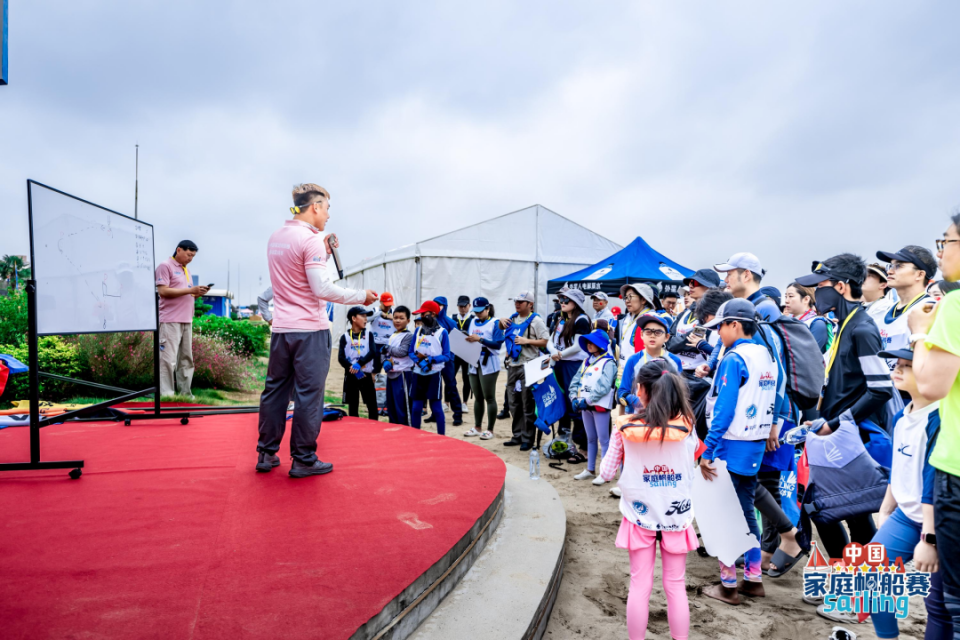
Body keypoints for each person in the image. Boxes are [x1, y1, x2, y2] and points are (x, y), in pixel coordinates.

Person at [256, 183, 376, 477]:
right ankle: (303, 459)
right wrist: (361, 296)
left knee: (275, 392)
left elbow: (292, 278)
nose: (328, 216)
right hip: (309, 330)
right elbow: (321, 287)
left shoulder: (276, 237)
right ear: (315, 207)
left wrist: (323, 248)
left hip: (282, 329)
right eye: (327, 209)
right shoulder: (311, 240)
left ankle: (266, 453)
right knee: (310, 395)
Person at [794, 254, 895, 557]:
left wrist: (835, 423)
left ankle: (859, 585)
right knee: (834, 510)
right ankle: (849, 579)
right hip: (836, 432)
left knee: (847, 512)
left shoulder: (863, 329)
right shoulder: (844, 325)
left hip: (852, 437)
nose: (815, 293)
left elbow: (881, 389)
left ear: (840, 286)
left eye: (820, 286)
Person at [599, 362, 701, 640]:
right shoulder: (688, 426)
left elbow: (606, 473)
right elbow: (693, 461)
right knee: (676, 585)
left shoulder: (625, 427)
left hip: (638, 515)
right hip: (676, 516)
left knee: (639, 585)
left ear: (641, 390)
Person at [698, 299, 780, 605]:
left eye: (720, 326)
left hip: (730, 443)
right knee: (746, 512)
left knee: (723, 516)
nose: (718, 333)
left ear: (734, 324)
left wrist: (709, 448)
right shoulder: (767, 355)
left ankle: (728, 585)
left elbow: (724, 407)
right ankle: (754, 579)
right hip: (755, 442)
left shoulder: (734, 358)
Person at [867, 346, 951, 638]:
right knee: (870, 575)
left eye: (908, 365)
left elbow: (934, 481)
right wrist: (886, 507)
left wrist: (930, 537)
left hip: (942, 522)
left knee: (939, 605)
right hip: (907, 515)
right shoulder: (901, 415)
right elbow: (898, 466)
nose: (897, 369)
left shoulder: (942, 418)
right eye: (897, 363)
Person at [909, 211, 960, 638]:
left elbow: (928, 385)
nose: (942, 251)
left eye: (947, 241)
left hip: (955, 469)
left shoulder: (956, 306)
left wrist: (918, 332)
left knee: (951, 602)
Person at [155, 240, 210, 398]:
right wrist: (189, 290)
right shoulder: (165, 266)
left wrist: (195, 293)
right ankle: (166, 395)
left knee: (186, 358)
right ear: (178, 250)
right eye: (188, 254)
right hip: (170, 320)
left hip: (187, 319)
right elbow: (163, 291)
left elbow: (185, 292)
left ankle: (185, 393)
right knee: (167, 359)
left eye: (193, 256)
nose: (190, 258)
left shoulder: (186, 269)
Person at [500, 291, 550, 450]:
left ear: (530, 304)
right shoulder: (512, 318)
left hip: (529, 366)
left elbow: (546, 342)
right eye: (516, 301)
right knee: (513, 403)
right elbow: (500, 327)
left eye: (521, 301)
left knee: (527, 403)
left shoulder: (536, 321)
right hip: (513, 366)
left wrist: (526, 341)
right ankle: (517, 435)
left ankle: (528, 438)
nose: (517, 303)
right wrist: (499, 321)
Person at [568, 329, 618, 485]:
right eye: (588, 342)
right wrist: (574, 398)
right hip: (586, 405)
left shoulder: (609, 362)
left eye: (593, 342)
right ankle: (590, 470)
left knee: (604, 440)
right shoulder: (586, 361)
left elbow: (604, 386)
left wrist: (587, 400)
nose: (589, 345)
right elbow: (575, 381)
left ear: (601, 345)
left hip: (599, 406)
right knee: (590, 438)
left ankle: (605, 473)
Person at [876, 245, 938, 363]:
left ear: (920, 275)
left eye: (898, 266)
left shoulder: (930, 310)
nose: (889, 271)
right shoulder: (887, 309)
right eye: (891, 265)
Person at [549, 286, 593, 444]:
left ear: (576, 302)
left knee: (573, 399)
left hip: (573, 365)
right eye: (560, 299)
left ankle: (581, 441)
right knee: (561, 399)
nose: (562, 302)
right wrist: (553, 352)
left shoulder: (582, 319)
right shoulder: (560, 318)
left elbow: (578, 346)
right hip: (560, 363)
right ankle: (563, 437)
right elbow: (551, 339)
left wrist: (559, 354)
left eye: (566, 299)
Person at [616, 314, 682, 413]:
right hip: (638, 417)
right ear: (641, 335)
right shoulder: (633, 360)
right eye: (648, 331)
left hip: (666, 416)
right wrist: (638, 401)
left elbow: (680, 392)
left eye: (658, 332)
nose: (652, 335)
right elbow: (622, 391)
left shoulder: (675, 361)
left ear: (667, 337)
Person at [408, 300, 453, 435]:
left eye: (424, 314)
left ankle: (442, 438)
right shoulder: (418, 330)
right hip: (418, 373)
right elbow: (411, 351)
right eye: (420, 314)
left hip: (434, 374)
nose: (421, 317)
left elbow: (447, 356)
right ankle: (415, 436)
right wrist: (418, 360)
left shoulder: (442, 333)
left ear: (433, 314)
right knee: (416, 408)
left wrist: (431, 360)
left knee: (437, 409)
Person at [463, 297, 503, 440]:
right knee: (478, 397)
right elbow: (468, 338)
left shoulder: (495, 323)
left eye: (481, 311)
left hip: (489, 362)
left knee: (489, 397)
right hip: (474, 361)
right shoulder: (472, 321)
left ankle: (490, 429)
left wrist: (480, 339)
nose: (478, 314)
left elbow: (498, 344)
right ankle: (477, 426)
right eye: (476, 311)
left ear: (487, 309)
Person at [614, 282, 664, 388]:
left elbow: (647, 356)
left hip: (641, 376)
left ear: (643, 299)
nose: (627, 300)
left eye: (631, 297)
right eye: (626, 297)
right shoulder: (627, 318)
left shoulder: (651, 319)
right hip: (625, 372)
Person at [338, 306, 380, 419]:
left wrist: (359, 364)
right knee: (353, 406)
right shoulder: (345, 337)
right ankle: (353, 431)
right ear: (354, 318)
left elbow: (372, 352)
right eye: (363, 316)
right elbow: (340, 357)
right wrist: (351, 366)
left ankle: (374, 429)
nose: (366, 319)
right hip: (352, 374)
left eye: (367, 316)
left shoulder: (369, 335)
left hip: (365, 375)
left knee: (372, 405)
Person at [713, 253, 781, 322]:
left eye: (729, 274)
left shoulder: (766, 308)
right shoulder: (744, 307)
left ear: (746, 275)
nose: (726, 280)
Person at [429, 297, 464, 426]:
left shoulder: (451, 322)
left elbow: (455, 341)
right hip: (433, 360)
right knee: (434, 386)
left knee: (451, 386)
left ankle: (457, 414)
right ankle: (434, 413)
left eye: (440, 305)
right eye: (435, 305)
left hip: (447, 360)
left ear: (445, 306)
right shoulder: (430, 321)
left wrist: (450, 356)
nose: (438, 307)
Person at [383, 306, 415, 426]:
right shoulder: (392, 335)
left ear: (408, 321)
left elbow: (402, 352)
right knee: (392, 405)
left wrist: (387, 348)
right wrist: (385, 361)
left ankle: (407, 430)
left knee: (403, 406)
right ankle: (394, 429)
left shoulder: (408, 336)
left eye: (401, 318)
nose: (397, 320)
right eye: (395, 318)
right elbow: (384, 352)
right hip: (391, 373)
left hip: (403, 374)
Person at [783, 281, 831, 353]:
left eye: (790, 296)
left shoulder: (817, 324)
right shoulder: (787, 321)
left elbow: (809, 355)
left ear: (806, 299)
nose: (786, 301)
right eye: (786, 296)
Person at [451, 295, 474, 407]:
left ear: (469, 306)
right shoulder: (452, 317)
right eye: (460, 306)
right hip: (454, 353)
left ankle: (464, 402)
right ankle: (447, 402)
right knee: (450, 377)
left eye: (465, 306)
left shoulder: (474, 319)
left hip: (467, 353)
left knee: (466, 378)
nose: (463, 308)